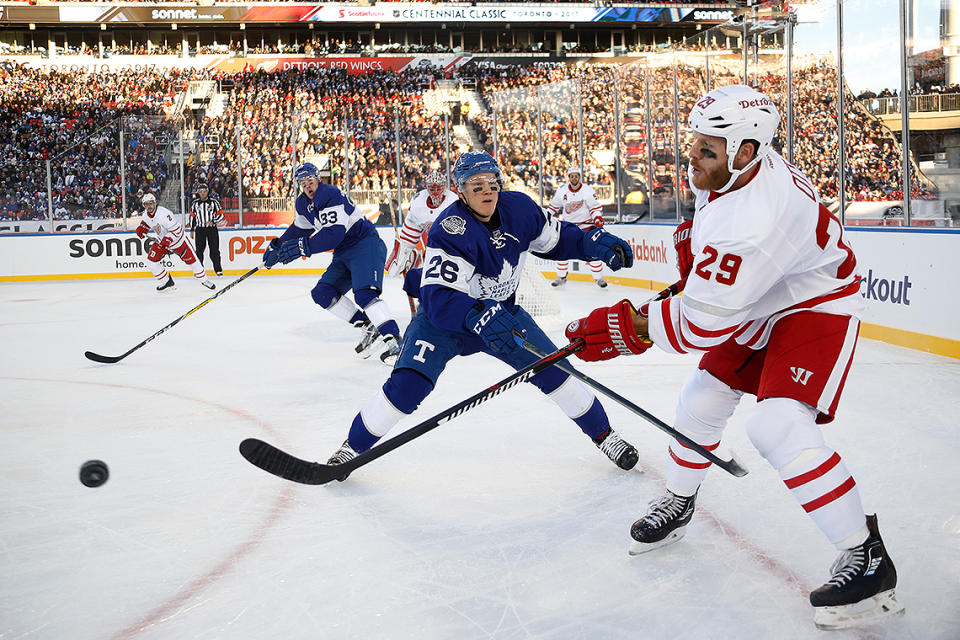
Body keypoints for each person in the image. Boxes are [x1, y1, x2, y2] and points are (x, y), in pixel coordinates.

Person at [564, 85, 902, 630]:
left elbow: (702, 323)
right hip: (764, 293)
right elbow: (711, 283)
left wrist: (632, 326)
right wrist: (694, 276)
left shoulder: (757, 219)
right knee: (702, 396)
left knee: (776, 425)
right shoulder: (736, 170)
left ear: (746, 151)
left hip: (814, 305)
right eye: (694, 142)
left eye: (707, 149)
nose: (691, 155)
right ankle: (679, 500)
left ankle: (868, 556)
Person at [325, 151, 640, 478]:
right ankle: (352, 448)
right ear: (461, 192)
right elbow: (438, 297)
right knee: (407, 385)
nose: (487, 190)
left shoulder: (520, 208)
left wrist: (592, 243)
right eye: (477, 186)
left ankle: (607, 437)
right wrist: (476, 314)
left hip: (502, 318)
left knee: (556, 371)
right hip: (444, 323)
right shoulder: (450, 228)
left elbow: (557, 240)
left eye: (492, 182)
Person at [263, 162, 402, 364]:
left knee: (365, 294)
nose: (307, 186)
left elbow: (333, 235)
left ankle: (395, 340)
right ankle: (369, 326)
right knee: (322, 293)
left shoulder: (330, 194)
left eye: (310, 180)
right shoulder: (303, 203)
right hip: (344, 252)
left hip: (365, 244)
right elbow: (299, 230)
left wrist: (302, 248)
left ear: (318, 179)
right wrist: (277, 246)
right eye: (303, 183)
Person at [385, 170, 458, 279]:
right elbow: (410, 229)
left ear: (444, 186)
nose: (435, 192)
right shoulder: (418, 201)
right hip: (421, 225)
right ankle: (396, 270)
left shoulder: (453, 201)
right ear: (426, 187)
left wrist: (438, 226)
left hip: (446, 237)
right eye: (432, 188)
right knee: (404, 249)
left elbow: (457, 231)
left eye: (438, 188)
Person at [135, 193, 215, 293]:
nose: (149, 206)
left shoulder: (164, 214)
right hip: (162, 241)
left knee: (193, 261)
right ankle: (167, 281)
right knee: (151, 262)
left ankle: (204, 280)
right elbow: (146, 224)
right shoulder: (145, 215)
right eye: (146, 204)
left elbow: (177, 230)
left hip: (178, 241)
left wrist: (167, 240)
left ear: (155, 203)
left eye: (150, 203)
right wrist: (141, 229)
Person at [548, 166, 608, 288]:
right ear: (569, 177)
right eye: (572, 176)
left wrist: (597, 218)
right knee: (561, 252)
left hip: (585, 227)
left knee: (592, 252)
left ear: (579, 177)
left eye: (576, 176)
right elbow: (553, 207)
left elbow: (595, 208)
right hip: (567, 227)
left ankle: (598, 278)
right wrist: (545, 216)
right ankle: (561, 276)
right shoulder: (562, 190)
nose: (574, 178)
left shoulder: (587, 191)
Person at [189, 183, 224, 276]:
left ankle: (218, 270)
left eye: (204, 191)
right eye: (200, 192)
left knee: (214, 250)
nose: (203, 193)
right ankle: (199, 271)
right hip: (200, 229)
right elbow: (192, 217)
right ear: (198, 193)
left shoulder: (214, 202)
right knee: (199, 251)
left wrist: (213, 221)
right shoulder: (195, 203)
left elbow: (221, 214)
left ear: (207, 192)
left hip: (212, 230)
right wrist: (192, 229)